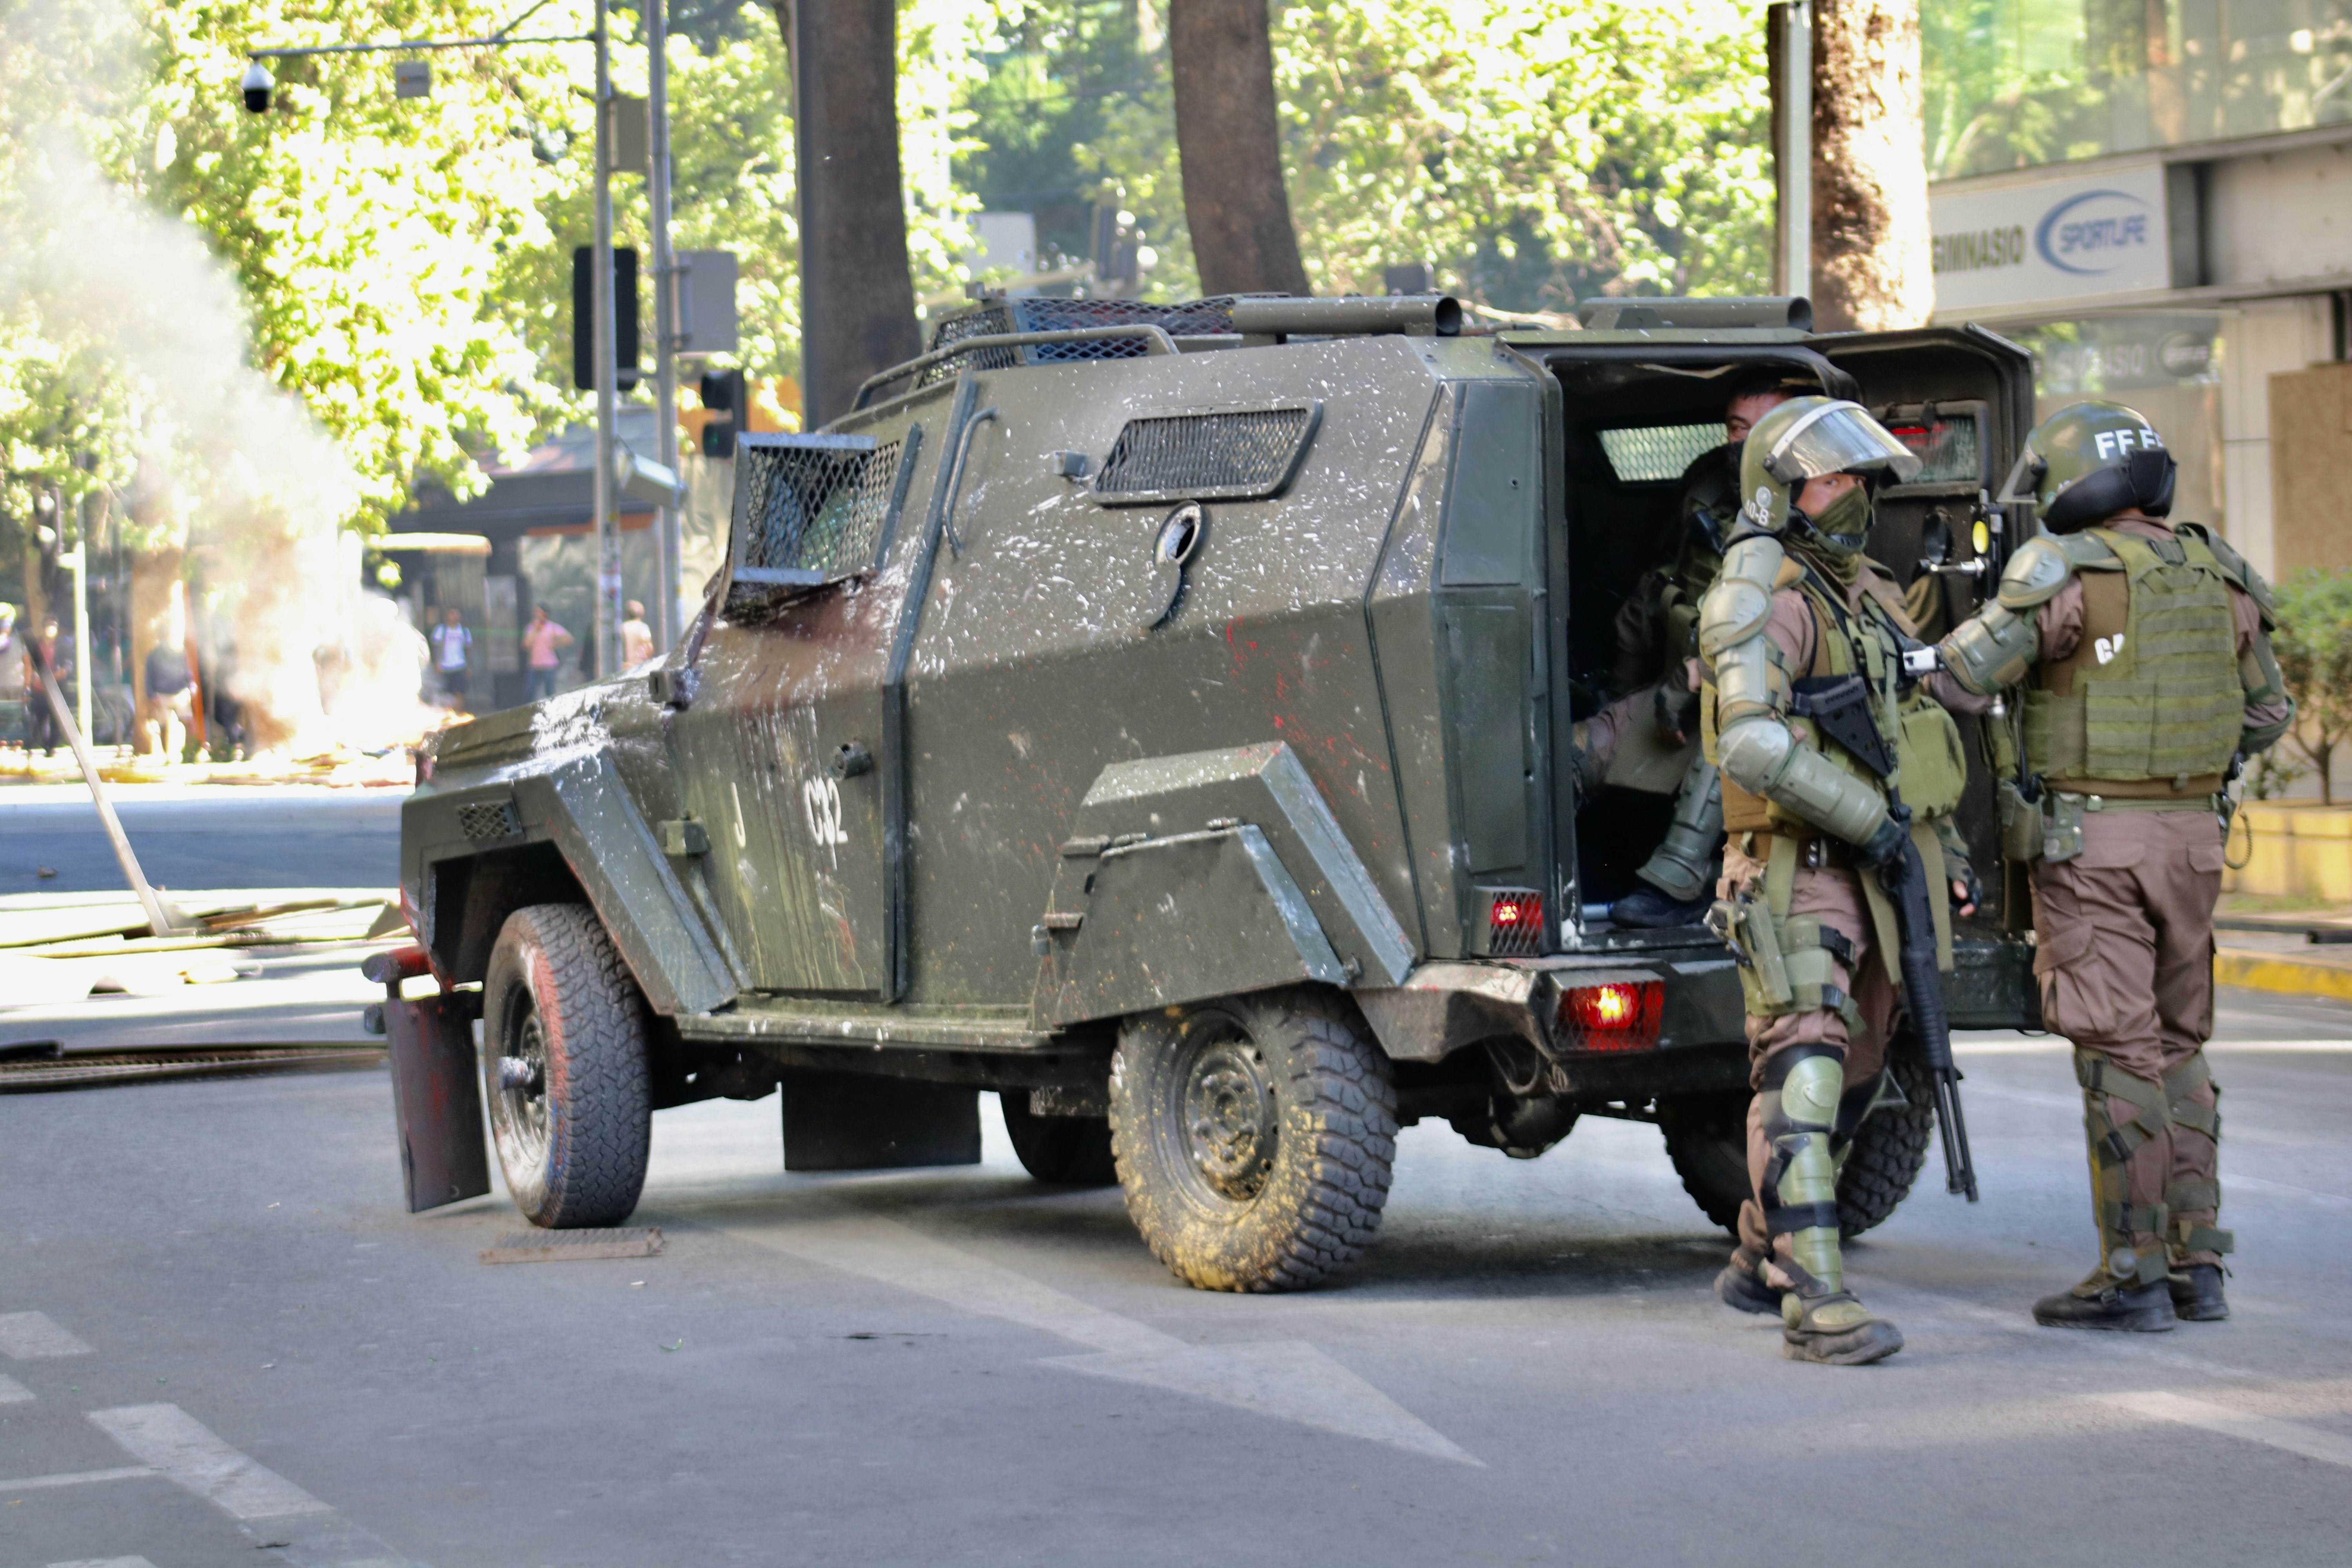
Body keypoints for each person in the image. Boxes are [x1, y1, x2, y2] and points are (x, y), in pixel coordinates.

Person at [1933, 401, 2293, 1332]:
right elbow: (2267, 715)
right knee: (2180, 1047)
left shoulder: (2062, 571)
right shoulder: (2220, 572)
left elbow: (1962, 682)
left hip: (2095, 844)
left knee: (2119, 1054)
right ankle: (2197, 1264)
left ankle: (2130, 1273)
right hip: (2193, 839)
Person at [1697, 396, 1987, 1366]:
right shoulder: (1763, 590)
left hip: (1881, 871)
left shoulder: (1862, 585)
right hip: (1801, 866)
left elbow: (1919, 710)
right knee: (1807, 1071)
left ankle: (1760, 1248)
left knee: (1857, 1080)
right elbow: (1747, 740)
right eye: (1833, 482)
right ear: (1783, 495)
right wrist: (1868, 821)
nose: (1855, 497)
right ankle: (1815, 1298)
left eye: (1860, 480)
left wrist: (1940, 853)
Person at [1578, 372, 1800, 927]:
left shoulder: (1809, 512)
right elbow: (1664, 586)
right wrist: (1628, 683)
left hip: (1760, 699)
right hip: (1679, 684)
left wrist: (1695, 677)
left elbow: (1785, 629)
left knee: (1733, 726)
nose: (1744, 444)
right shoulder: (1708, 490)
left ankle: (1680, 879)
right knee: (1576, 752)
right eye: (1736, 428)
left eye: (1763, 430)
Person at [143, 630, 195, 760]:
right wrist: (152, 695)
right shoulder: (153, 656)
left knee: (188, 722)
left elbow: (188, 672)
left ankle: (189, 752)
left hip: (180, 693)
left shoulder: (179, 654)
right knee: (163, 726)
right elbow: (148, 677)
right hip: (162, 694)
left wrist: (191, 686)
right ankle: (167, 756)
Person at [522, 604, 573, 703]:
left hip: (549, 665)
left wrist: (555, 644)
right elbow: (527, 644)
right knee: (530, 692)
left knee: (550, 692)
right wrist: (536, 630)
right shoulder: (531, 628)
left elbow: (569, 639)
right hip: (535, 665)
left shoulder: (552, 627)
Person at [429, 606, 473, 709]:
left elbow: (468, 649)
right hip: (445, 666)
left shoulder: (464, 631)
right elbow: (435, 648)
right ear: (448, 616)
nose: (455, 617)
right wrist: (437, 663)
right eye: (452, 614)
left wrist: (469, 667)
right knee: (445, 694)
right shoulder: (441, 630)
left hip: (460, 665)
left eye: (457, 614)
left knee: (460, 693)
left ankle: (458, 714)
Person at [0, 605, 25, 751]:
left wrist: (27, 685)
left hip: (17, 685)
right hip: (2, 685)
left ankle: (16, 742)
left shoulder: (19, 640)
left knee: (16, 715)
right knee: (3, 716)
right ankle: (3, 742)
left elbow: (27, 662)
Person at [620, 599, 655, 668]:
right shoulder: (643, 628)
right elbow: (649, 647)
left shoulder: (623, 628)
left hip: (627, 666)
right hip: (640, 665)